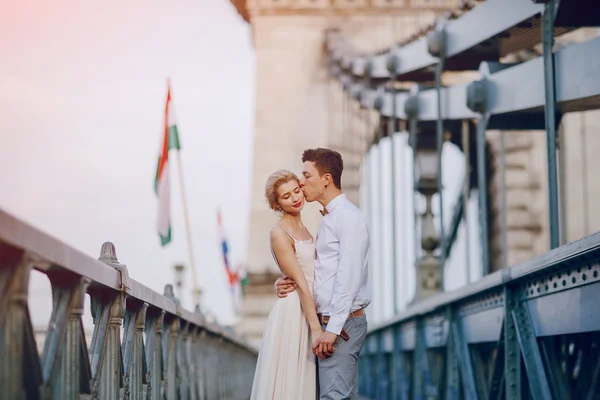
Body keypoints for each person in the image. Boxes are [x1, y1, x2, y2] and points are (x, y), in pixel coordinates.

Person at [276, 148, 371, 400]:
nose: (301, 182)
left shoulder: (348, 218)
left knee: (334, 397)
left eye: (306, 176)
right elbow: (322, 271)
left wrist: (333, 329)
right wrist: (286, 281)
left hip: (339, 324)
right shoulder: (331, 218)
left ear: (326, 179)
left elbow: (348, 277)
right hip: (331, 322)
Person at [250, 169, 321, 400]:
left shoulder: (305, 229)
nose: (295, 198)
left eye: (296, 190)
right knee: (290, 384)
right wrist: (316, 328)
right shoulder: (279, 233)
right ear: (276, 204)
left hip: (309, 307)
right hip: (295, 313)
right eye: (286, 196)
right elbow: (300, 281)